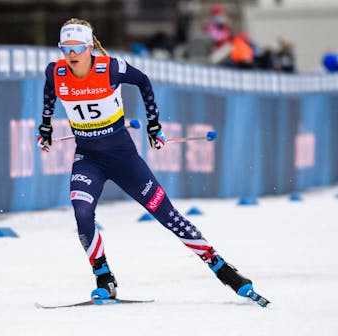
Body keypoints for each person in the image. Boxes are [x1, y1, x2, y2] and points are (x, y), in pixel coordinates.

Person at [37, 18, 262, 302]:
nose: (71, 56)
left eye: (77, 48)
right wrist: (45, 126)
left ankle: (222, 268)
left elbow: (143, 81)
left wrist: (154, 125)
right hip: (87, 157)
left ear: (89, 47)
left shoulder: (111, 68)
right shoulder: (55, 72)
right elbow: (49, 92)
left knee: (167, 215)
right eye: (65, 48)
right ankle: (104, 278)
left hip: (122, 158)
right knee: (82, 214)